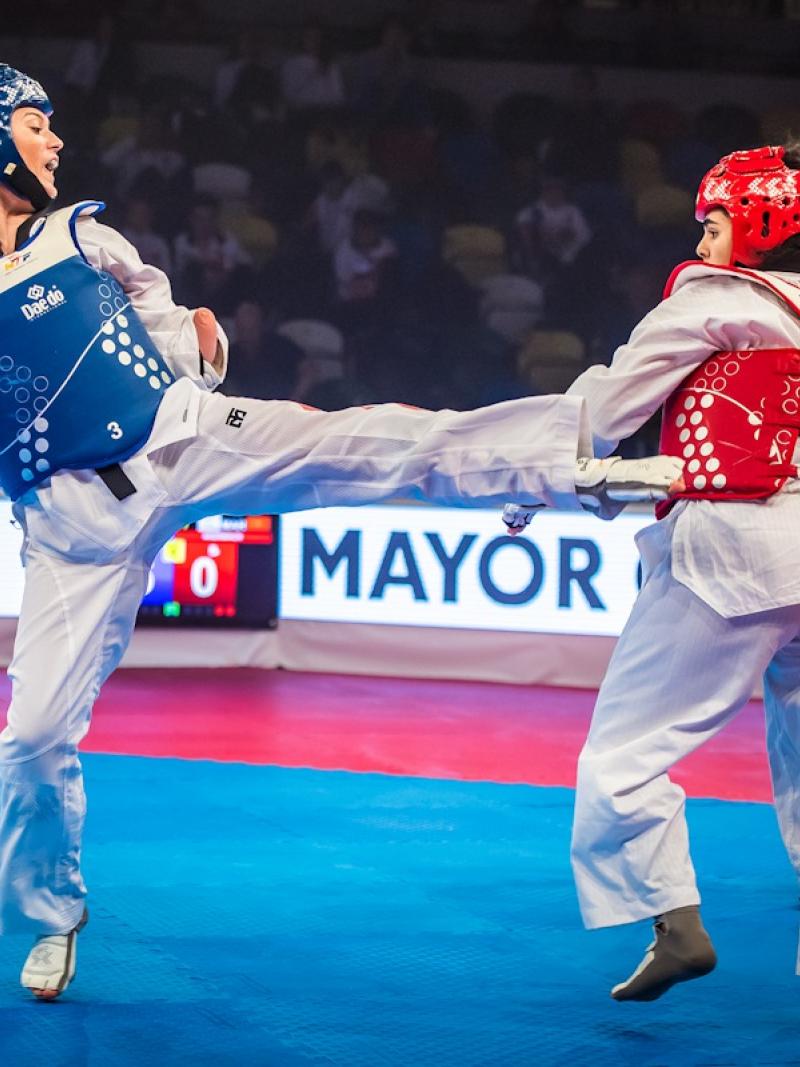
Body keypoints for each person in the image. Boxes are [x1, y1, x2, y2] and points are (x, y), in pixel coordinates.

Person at [0, 64, 682, 1001]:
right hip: (72, 528)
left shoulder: (79, 232)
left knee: (369, 442)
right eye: (37, 125)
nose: (56, 141)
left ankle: (568, 457)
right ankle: (53, 914)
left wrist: (198, 347)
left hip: (182, 436)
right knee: (31, 738)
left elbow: (164, 317)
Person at [566, 142, 800, 1002]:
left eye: (715, 222)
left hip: (735, 551)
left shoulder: (715, 301)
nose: (703, 242)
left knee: (622, 754)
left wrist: (520, 467)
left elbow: (603, 409)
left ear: (762, 228)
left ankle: (675, 921)